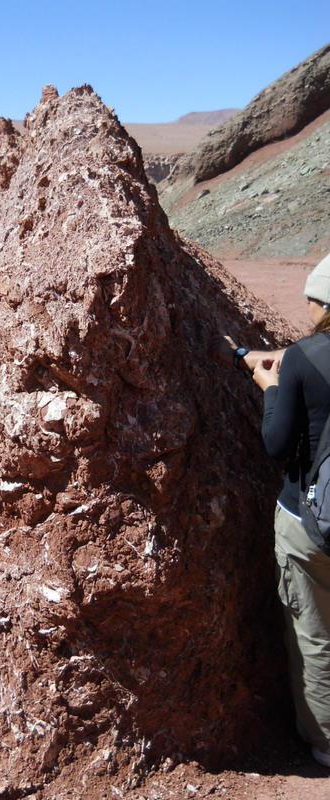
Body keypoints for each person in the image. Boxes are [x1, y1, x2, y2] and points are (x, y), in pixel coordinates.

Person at [221, 253, 330, 767]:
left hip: (309, 523)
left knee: (315, 636)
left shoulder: (307, 359)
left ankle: (325, 743)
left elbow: (277, 443)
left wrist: (271, 389)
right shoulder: (304, 355)